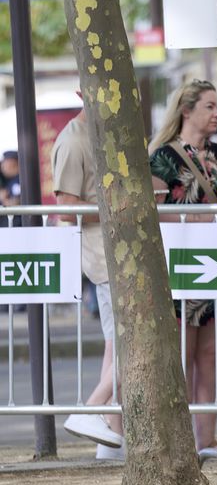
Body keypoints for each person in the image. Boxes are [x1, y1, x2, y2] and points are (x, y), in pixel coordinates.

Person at [149, 79, 217, 455]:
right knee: (182, 354)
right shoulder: (162, 156)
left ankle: (206, 438)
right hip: (179, 264)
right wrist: (193, 219)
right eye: (209, 106)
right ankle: (177, 440)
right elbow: (154, 210)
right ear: (186, 110)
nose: (216, 113)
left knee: (209, 354)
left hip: (214, 262)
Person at [54, 102, 124, 458]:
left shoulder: (102, 132)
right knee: (128, 344)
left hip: (115, 254)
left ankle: (110, 435)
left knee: (117, 344)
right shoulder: (73, 139)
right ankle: (94, 410)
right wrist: (119, 210)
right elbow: (66, 208)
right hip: (105, 256)